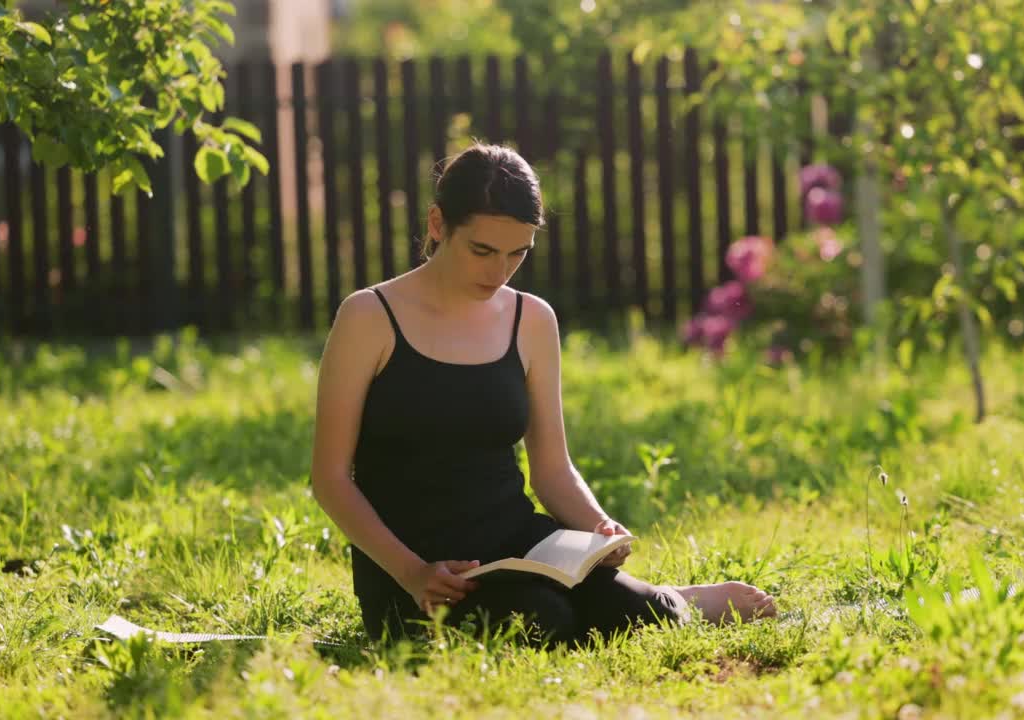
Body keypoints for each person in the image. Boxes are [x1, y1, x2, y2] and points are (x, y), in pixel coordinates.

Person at [310, 143, 777, 649]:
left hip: (516, 544)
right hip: (414, 570)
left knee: (627, 612)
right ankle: (656, 599)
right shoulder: (368, 316)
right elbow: (330, 479)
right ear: (438, 224)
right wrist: (412, 572)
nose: (499, 271)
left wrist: (597, 527)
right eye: (483, 251)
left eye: (518, 253)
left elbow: (551, 469)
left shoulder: (531, 319)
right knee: (543, 620)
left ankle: (674, 599)